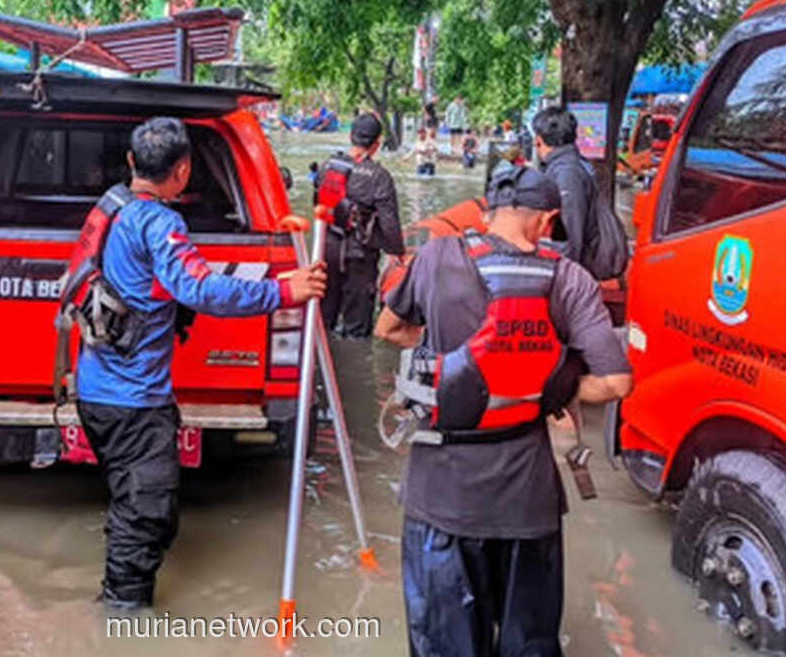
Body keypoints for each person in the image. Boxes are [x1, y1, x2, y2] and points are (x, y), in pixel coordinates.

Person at [67, 117, 326, 609]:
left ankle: (119, 604)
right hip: (133, 403)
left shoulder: (111, 206)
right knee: (145, 515)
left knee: (139, 507)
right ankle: (121, 619)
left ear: (130, 163)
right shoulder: (160, 223)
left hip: (97, 389)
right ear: (184, 171)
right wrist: (284, 290)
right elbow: (200, 288)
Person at [375, 166, 631, 657]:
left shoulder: (433, 257)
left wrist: (443, 358)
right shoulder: (570, 279)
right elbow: (617, 382)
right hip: (528, 503)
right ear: (548, 219)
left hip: (441, 498)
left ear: (487, 211)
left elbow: (387, 328)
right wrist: (544, 385)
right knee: (528, 645)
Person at [321, 112, 405, 338]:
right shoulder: (379, 176)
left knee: (323, 319)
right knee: (357, 327)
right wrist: (397, 252)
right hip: (360, 255)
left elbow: (319, 206)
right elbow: (389, 221)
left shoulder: (328, 166)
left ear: (351, 136)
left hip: (327, 251)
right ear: (376, 144)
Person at [532, 105, 595, 270]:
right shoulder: (570, 164)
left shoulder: (567, 173)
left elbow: (571, 233)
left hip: (569, 267)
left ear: (538, 140)